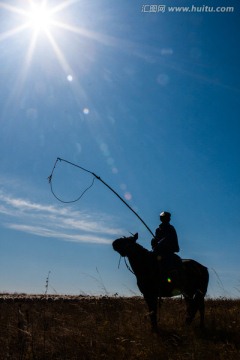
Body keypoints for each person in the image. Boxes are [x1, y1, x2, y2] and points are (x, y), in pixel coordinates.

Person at [151, 211, 183, 294]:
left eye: (168, 218)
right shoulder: (158, 229)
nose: (167, 219)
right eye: (164, 217)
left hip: (168, 251)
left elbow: (169, 239)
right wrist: (154, 242)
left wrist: (160, 243)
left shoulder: (170, 228)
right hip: (159, 252)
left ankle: (172, 283)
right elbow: (156, 239)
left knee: (168, 266)